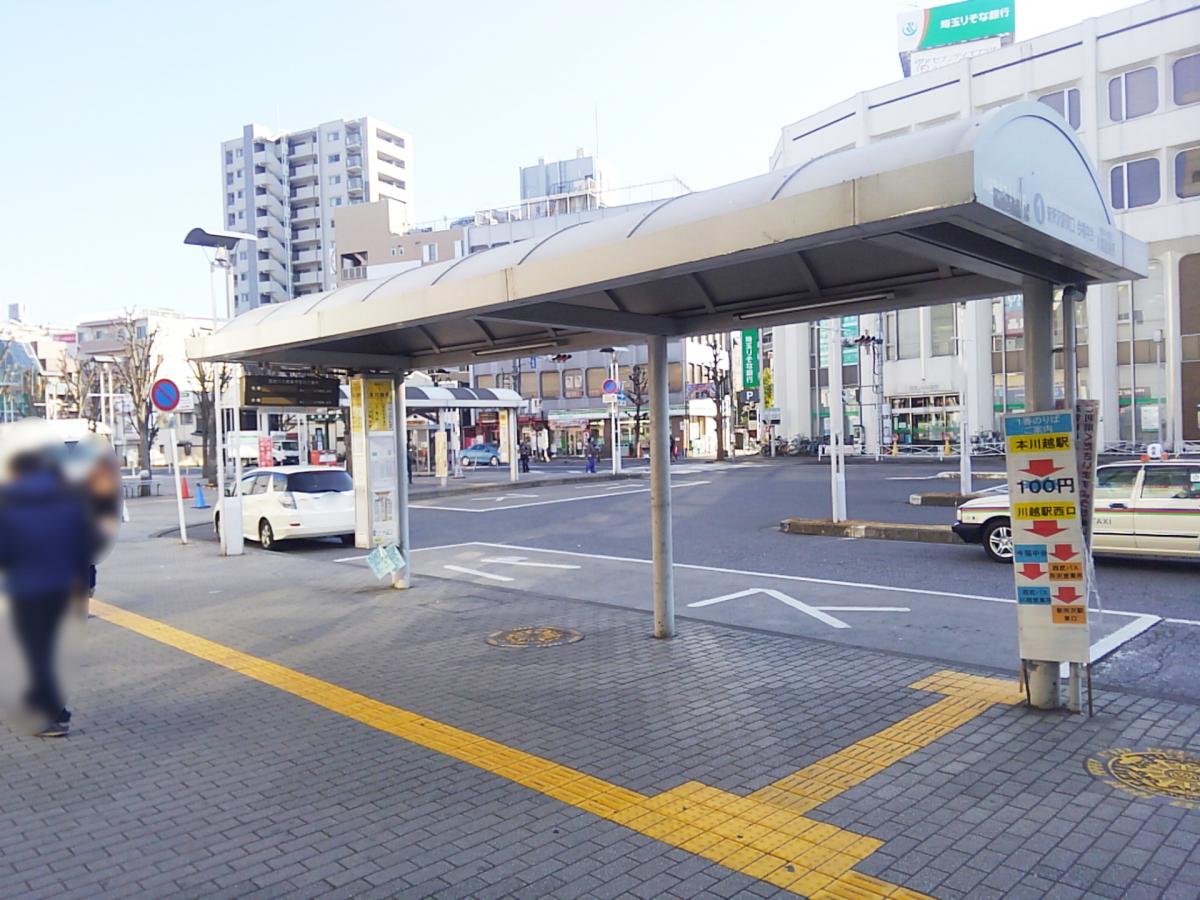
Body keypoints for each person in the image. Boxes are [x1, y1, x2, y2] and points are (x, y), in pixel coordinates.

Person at [0, 449, 95, 737]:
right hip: (64, 589)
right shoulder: (69, 500)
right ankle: (54, 708)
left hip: (25, 591)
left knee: (35, 653)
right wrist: (88, 582)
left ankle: (47, 715)